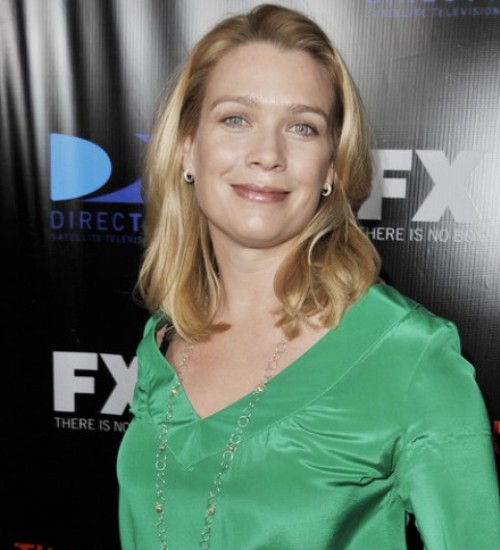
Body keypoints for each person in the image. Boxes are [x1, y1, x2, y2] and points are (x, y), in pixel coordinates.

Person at [117, 4, 500, 549]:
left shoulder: (410, 354)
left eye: (302, 127)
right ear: (187, 148)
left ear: (331, 168)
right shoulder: (165, 338)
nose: (267, 154)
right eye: (236, 119)